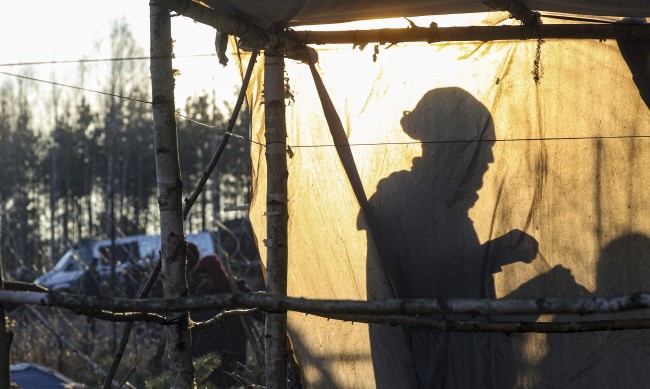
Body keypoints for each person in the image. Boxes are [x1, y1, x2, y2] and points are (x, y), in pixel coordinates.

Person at [190, 254, 248, 387]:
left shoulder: (235, 290)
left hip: (233, 355)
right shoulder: (200, 297)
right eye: (202, 278)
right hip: (207, 358)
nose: (205, 281)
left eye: (208, 277)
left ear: (216, 274)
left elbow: (259, 310)